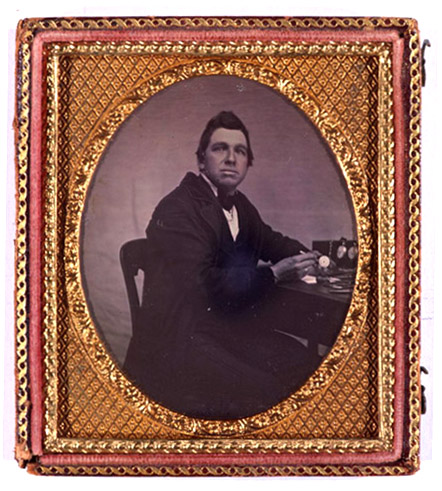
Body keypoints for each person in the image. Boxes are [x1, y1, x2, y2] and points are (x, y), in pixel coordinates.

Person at [123, 111, 322, 420]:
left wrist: (311, 258)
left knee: (305, 361)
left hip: (224, 330)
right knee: (270, 389)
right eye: (220, 148)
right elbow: (202, 285)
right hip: (178, 341)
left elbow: (271, 241)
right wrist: (273, 274)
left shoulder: (240, 205)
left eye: (240, 151)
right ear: (201, 160)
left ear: (248, 163)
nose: (231, 158)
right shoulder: (177, 208)